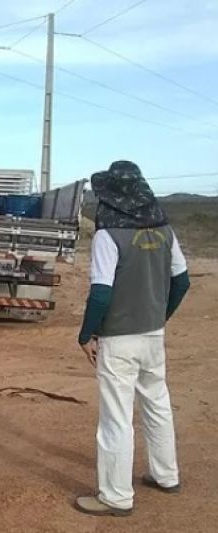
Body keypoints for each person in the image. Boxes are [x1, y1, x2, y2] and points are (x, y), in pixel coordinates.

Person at [75, 161, 191, 517]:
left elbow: (101, 294)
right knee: (158, 403)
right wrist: (159, 316)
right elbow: (182, 281)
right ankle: (165, 474)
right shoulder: (165, 231)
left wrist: (86, 333)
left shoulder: (108, 236)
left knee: (116, 418)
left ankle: (115, 496)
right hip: (152, 335)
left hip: (119, 339)